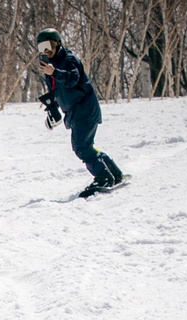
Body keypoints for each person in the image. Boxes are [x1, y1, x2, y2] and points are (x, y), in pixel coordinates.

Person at [36, 28, 124, 198]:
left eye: (48, 46)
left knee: (81, 147)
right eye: (41, 48)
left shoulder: (68, 60)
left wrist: (54, 72)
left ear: (57, 44)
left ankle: (104, 177)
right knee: (86, 146)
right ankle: (114, 173)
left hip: (84, 109)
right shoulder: (50, 67)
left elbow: (73, 78)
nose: (46, 51)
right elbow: (55, 91)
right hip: (74, 112)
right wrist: (52, 111)